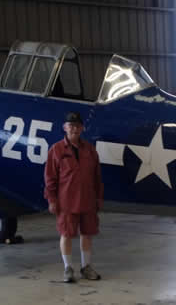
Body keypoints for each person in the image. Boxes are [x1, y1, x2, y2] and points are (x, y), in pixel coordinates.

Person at [44, 111, 104, 283]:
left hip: (88, 200)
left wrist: (98, 198)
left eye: (77, 126)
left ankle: (86, 267)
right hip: (66, 202)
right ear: (65, 128)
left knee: (87, 234)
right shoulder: (56, 150)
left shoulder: (90, 150)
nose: (74, 129)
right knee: (67, 234)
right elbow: (50, 178)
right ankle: (68, 268)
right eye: (71, 126)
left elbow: (97, 177)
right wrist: (52, 200)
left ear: (82, 128)